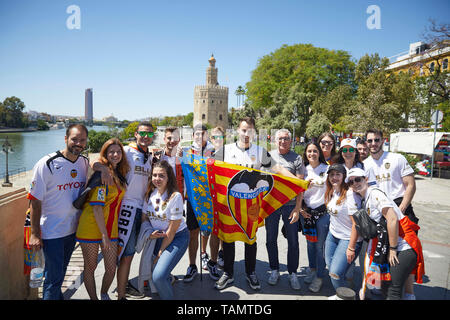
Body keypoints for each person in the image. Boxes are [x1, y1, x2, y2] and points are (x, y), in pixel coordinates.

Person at [213, 117, 300, 291]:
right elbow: (210, 169)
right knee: (228, 239)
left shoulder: (260, 152)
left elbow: (279, 170)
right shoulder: (225, 150)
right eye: (244, 130)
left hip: (251, 205)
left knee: (250, 240)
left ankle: (250, 273)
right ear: (237, 130)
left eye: (250, 131)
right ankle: (228, 274)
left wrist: (297, 182)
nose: (247, 134)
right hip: (229, 204)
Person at [27, 124, 89, 300]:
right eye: (74, 139)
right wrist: (35, 234)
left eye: (82, 140)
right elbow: (35, 201)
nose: (78, 143)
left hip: (72, 231)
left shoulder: (84, 162)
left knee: (59, 274)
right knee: (53, 279)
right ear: (65, 139)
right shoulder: (46, 164)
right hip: (51, 232)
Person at [93, 121, 154, 300]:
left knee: (129, 254)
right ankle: (115, 291)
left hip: (140, 210)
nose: (145, 137)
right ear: (136, 134)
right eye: (142, 133)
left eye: (150, 134)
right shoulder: (126, 151)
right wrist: (103, 169)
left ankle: (122, 291)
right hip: (125, 208)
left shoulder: (149, 156)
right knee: (122, 254)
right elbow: (96, 161)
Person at [346, 168, 424, 300]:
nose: (355, 183)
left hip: (404, 245)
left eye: (358, 179)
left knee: (393, 288)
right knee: (386, 286)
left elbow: (392, 218)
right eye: (351, 182)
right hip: (390, 245)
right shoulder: (366, 199)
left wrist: (393, 249)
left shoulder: (375, 194)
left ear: (366, 179)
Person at [363, 128, 418, 299]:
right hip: (379, 215)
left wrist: (402, 207)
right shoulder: (364, 164)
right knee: (378, 252)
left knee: (406, 253)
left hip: (400, 210)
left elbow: (410, 185)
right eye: (370, 141)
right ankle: (376, 286)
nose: (373, 144)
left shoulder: (397, 158)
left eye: (376, 140)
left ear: (383, 140)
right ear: (366, 143)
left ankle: (409, 293)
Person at [76, 138, 129, 300]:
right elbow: (97, 207)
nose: (115, 154)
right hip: (92, 226)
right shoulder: (102, 174)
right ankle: (94, 298)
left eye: (118, 151)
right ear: (105, 154)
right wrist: (103, 235)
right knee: (90, 267)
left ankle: (104, 293)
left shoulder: (118, 173)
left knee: (111, 268)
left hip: (111, 227)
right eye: (111, 151)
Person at [142, 160, 189, 300]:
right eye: (154, 175)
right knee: (153, 275)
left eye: (161, 175)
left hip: (176, 238)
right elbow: (144, 218)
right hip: (157, 237)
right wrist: (149, 231)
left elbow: (172, 231)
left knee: (158, 277)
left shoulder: (176, 197)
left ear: (168, 178)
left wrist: (160, 253)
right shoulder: (149, 194)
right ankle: (169, 278)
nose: (157, 179)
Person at [266, 129, 304, 290]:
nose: (283, 141)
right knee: (270, 239)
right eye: (280, 139)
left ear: (291, 140)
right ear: (275, 140)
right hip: (272, 205)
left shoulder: (297, 158)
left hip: (290, 206)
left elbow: (300, 186)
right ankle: (274, 270)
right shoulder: (267, 156)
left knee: (293, 241)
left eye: (286, 138)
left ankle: (293, 273)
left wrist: (297, 207)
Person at [183, 124, 220, 283]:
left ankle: (213, 262)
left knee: (213, 232)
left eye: (203, 134)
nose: (200, 137)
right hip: (193, 198)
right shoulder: (185, 152)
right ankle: (192, 265)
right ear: (193, 136)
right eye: (197, 134)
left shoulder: (215, 151)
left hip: (212, 198)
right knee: (193, 233)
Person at [323, 163, 362, 299]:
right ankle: (342, 293)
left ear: (344, 176)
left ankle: (347, 297)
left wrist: (351, 247)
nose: (334, 177)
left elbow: (355, 223)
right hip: (332, 235)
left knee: (335, 273)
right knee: (330, 266)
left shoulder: (350, 195)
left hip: (348, 239)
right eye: (332, 174)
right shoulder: (331, 191)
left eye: (338, 174)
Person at [298, 141, 329, 293]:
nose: (312, 154)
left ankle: (320, 276)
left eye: (315, 151)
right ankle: (312, 269)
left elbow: (333, 190)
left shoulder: (327, 169)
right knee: (310, 244)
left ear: (319, 153)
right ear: (306, 153)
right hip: (306, 213)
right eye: (309, 151)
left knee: (319, 246)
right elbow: (297, 191)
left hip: (323, 213)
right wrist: (301, 209)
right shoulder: (303, 169)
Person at [209, 126, 226, 269]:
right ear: (211, 139)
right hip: (210, 197)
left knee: (224, 231)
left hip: (225, 198)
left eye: (220, 137)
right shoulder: (206, 154)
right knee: (213, 231)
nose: (217, 140)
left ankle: (222, 254)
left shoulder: (230, 154)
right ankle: (212, 260)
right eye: (215, 137)